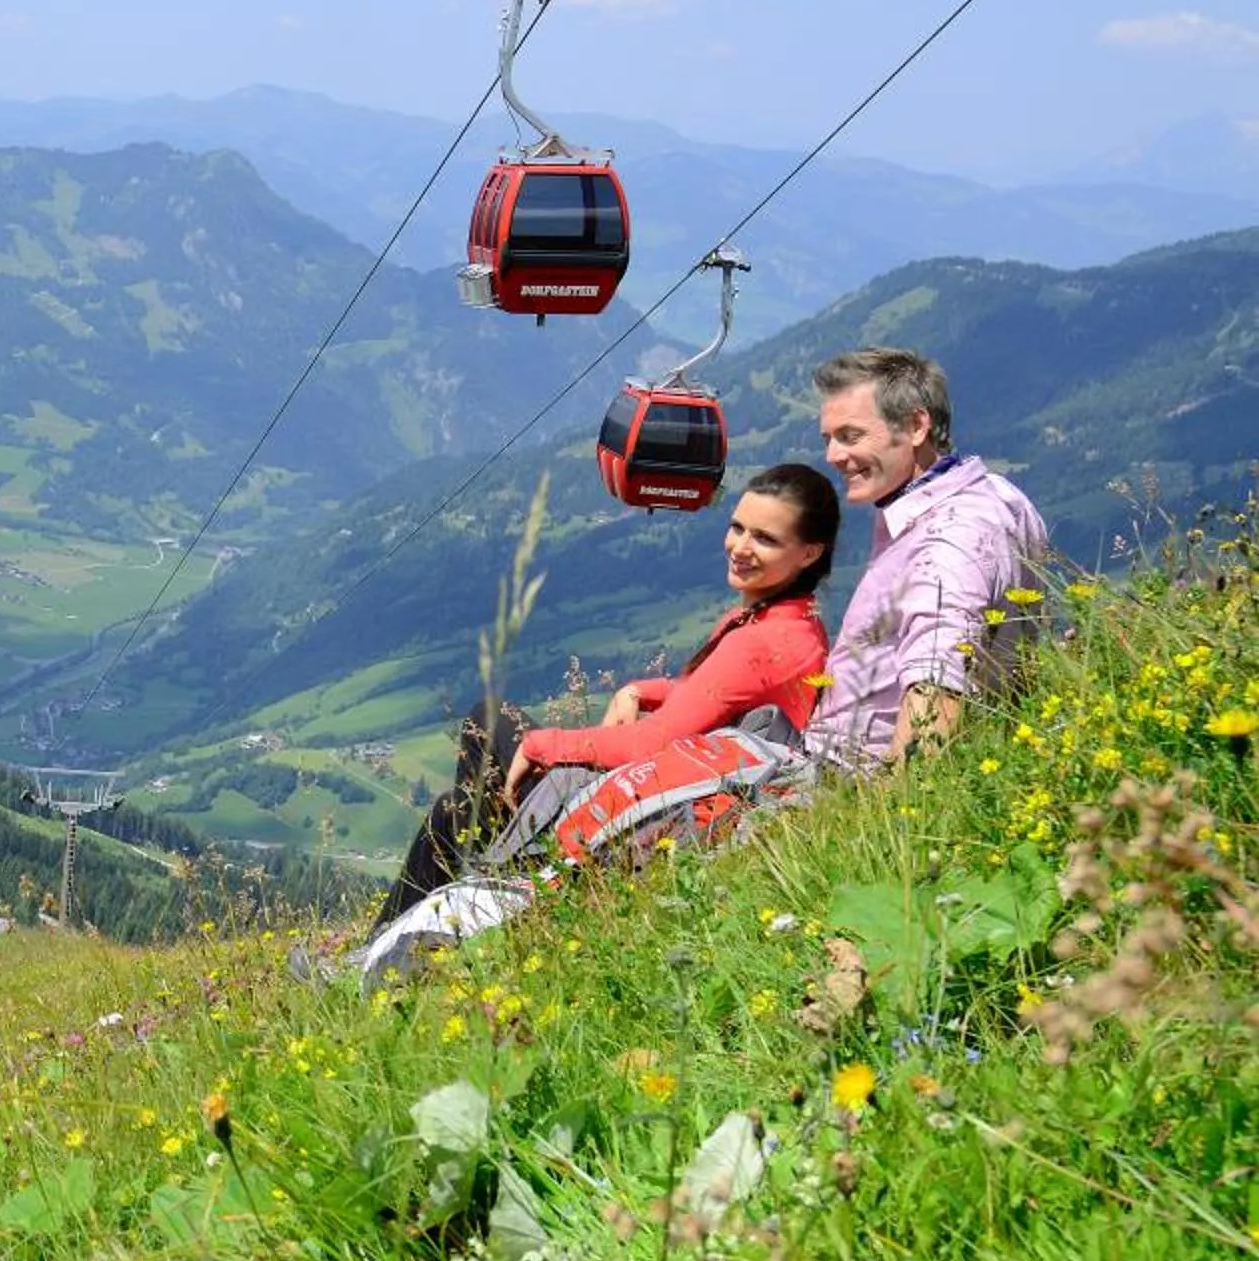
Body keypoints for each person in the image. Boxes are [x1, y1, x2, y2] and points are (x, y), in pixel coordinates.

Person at [373, 462, 841, 922]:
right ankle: (490, 857)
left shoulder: (761, 641)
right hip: (679, 783)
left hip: (645, 804)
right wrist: (644, 689)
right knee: (488, 720)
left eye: (766, 539)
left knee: (451, 812)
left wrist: (544, 745)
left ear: (808, 553)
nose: (740, 547)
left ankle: (416, 924)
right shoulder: (790, 622)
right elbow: (718, 694)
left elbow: (648, 743)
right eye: (738, 527)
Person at [805, 347, 1048, 772]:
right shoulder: (999, 495)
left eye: (850, 436)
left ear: (917, 426)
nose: (833, 456)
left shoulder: (946, 543)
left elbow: (936, 688)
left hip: (850, 778)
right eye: (828, 439)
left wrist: (894, 823)